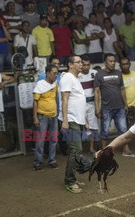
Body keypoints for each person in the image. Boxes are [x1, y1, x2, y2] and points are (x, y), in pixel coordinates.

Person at [94, 53, 135, 157]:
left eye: (114, 61)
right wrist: (97, 108)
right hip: (106, 108)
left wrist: (125, 104)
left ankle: (125, 150)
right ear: (105, 62)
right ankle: (103, 152)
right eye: (110, 61)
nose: (112, 63)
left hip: (119, 107)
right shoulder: (99, 74)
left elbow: (122, 89)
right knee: (104, 132)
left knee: (123, 130)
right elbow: (96, 92)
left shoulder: (118, 73)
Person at [59, 55, 87, 193]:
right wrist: (65, 120)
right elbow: (65, 100)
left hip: (78, 119)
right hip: (71, 119)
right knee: (75, 150)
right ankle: (69, 181)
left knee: (76, 151)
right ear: (70, 64)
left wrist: (85, 120)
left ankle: (73, 178)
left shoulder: (75, 79)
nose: (81, 64)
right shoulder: (67, 78)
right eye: (78, 62)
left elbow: (79, 101)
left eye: (81, 62)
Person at [32, 64, 59, 172]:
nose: (56, 76)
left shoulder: (55, 84)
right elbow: (35, 102)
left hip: (53, 115)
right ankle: (38, 162)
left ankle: (52, 160)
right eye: (54, 73)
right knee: (40, 140)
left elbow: (56, 99)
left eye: (57, 73)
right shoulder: (40, 85)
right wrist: (35, 117)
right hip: (42, 116)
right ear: (47, 73)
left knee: (53, 140)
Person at [78, 55, 99, 155]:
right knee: (80, 127)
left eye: (88, 65)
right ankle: (79, 149)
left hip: (92, 103)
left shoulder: (94, 74)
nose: (86, 67)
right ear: (80, 64)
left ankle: (91, 148)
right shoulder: (76, 75)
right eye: (84, 65)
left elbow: (98, 90)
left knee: (92, 127)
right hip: (80, 104)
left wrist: (97, 105)